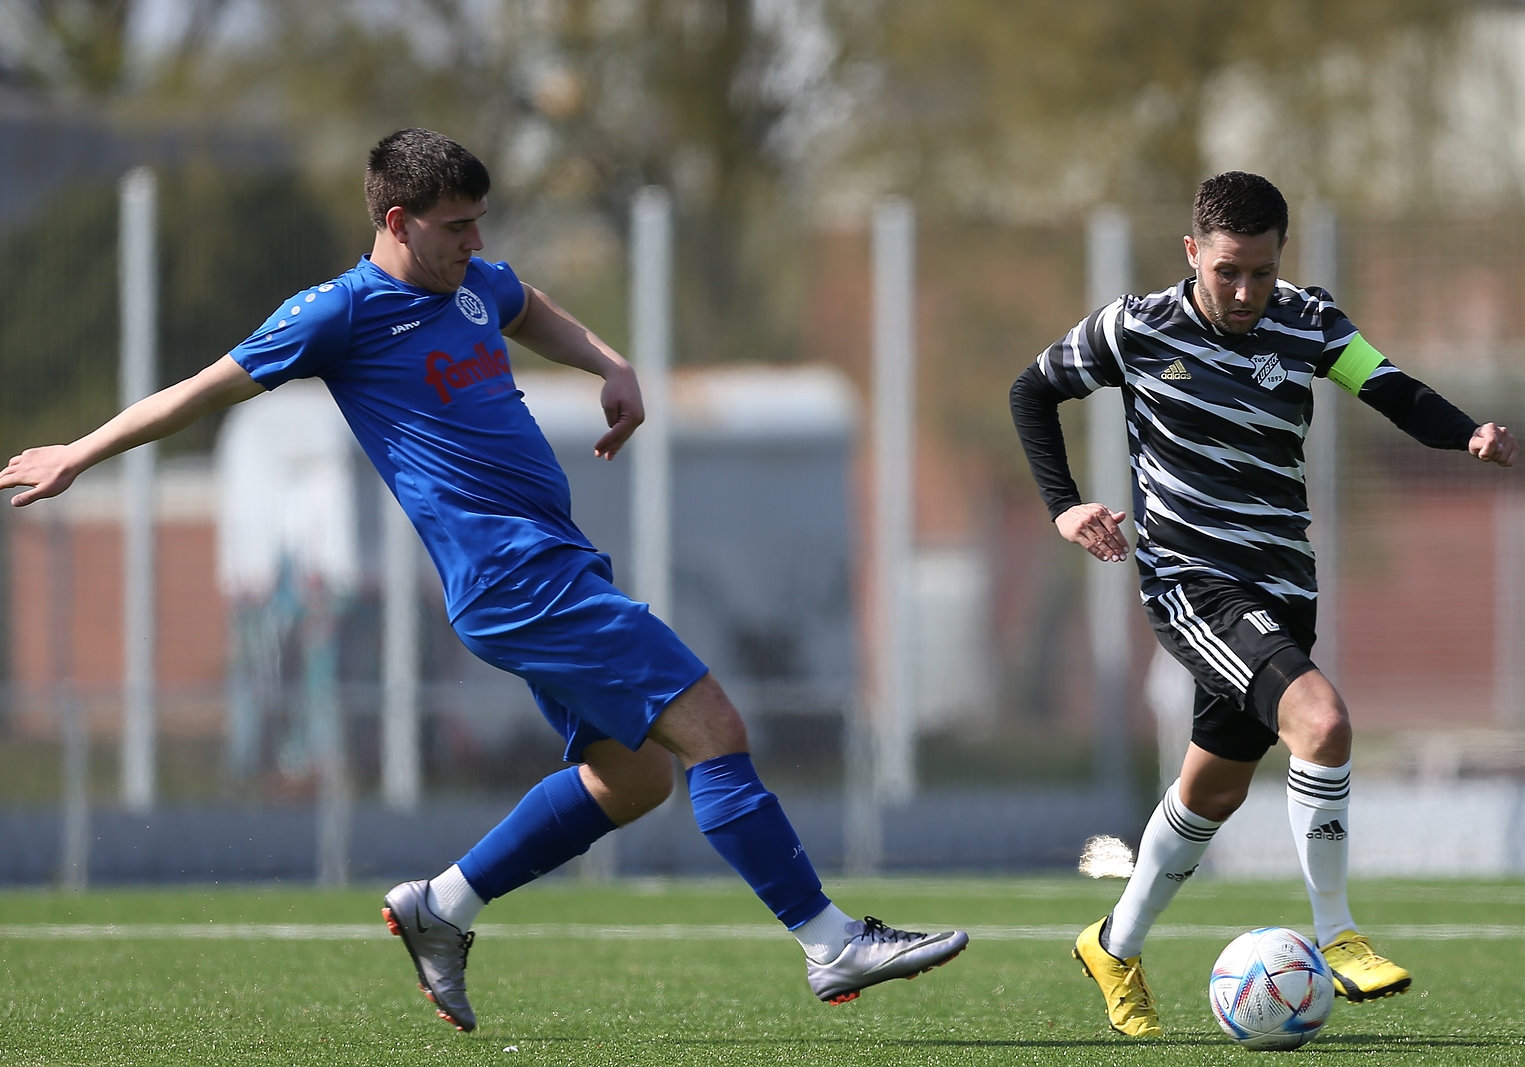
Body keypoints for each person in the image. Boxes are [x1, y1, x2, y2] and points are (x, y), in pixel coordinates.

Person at [0, 128, 967, 1032]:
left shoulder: (469, 286)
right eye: (455, 226)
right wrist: (80, 453)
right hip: (514, 571)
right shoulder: (339, 312)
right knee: (713, 725)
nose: (474, 242)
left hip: (547, 560)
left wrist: (608, 359)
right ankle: (830, 940)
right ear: (396, 222)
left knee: (632, 778)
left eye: (478, 223)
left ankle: (443, 904)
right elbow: (201, 388)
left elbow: (524, 301)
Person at [1009, 171, 1517, 1038]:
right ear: (1192, 254)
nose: (1245, 292)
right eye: (1228, 272)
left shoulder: (1309, 320)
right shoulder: (1134, 327)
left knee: (1212, 790)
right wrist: (1064, 504)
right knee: (1322, 723)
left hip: (1285, 585)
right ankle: (1339, 933)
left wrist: (1466, 430)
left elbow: (1389, 386)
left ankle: (1113, 942)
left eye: (1262, 273)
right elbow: (1033, 389)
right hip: (1193, 583)